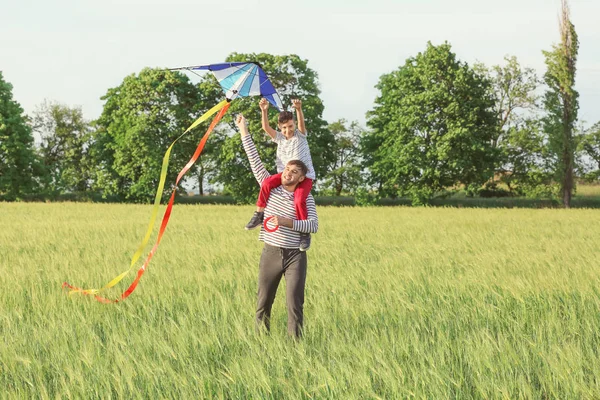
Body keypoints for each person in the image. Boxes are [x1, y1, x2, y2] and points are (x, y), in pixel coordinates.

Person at [236, 114, 319, 338]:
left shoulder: (306, 197)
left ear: (302, 178)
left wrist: (287, 222)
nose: (287, 174)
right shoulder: (270, 188)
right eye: (286, 170)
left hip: (295, 256)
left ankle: (295, 348)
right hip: (270, 253)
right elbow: (253, 158)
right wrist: (244, 129)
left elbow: (313, 225)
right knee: (263, 303)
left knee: (294, 305)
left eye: (294, 172)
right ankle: (262, 343)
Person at [244, 98, 316, 252]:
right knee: (267, 184)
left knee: (299, 200)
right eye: (284, 128)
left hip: (305, 177)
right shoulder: (279, 138)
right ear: (280, 127)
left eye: (290, 126)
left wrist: (298, 109)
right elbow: (265, 127)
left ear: (294, 124)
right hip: (285, 175)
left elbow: (302, 125)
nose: (287, 130)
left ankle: (304, 233)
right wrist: (264, 110)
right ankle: (258, 215)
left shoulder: (300, 136)